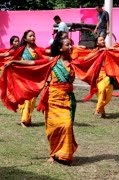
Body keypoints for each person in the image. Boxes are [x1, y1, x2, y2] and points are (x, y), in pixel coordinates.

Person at [4, 37, 78, 165]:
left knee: (66, 125)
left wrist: (104, 52)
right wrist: (14, 62)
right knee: (52, 128)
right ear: (60, 48)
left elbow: (89, 61)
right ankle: (54, 154)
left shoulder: (75, 62)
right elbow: (33, 64)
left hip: (67, 99)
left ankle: (65, 154)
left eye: (71, 45)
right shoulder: (53, 61)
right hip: (53, 99)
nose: (71, 47)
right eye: (68, 45)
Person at [13, 30, 49, 127]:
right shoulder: (21, 50)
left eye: (34, 36)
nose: (33, 37)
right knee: (25, 99)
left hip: (34, 78)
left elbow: (46, 55)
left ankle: (26, 119)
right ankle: (24, 120)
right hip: (23, 78)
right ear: (25, 38)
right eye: (31, 36)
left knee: (32, 100)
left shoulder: (37, 50)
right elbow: (15, 61)